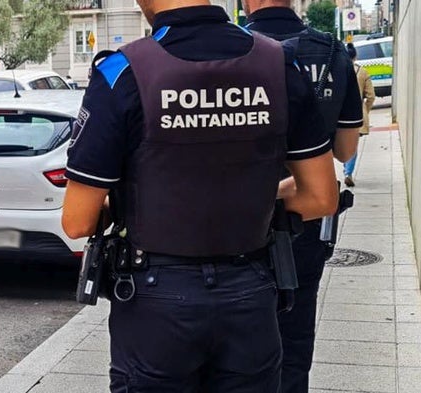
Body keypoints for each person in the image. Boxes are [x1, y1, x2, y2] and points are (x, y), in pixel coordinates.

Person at [62, 1, 338, 392]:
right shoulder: (278, 64)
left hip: (156, 304)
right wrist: (252, 200)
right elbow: (322, 196)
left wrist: (134, 205)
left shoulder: (122, 73)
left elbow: (77, 221)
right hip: (251, 292)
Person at [244, 1, 363, 393]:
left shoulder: (233, 49)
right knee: (293, 345)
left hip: (238, 222)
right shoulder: (330, 51)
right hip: (307, 220)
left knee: (237, 348)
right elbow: (345, 150)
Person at [343, 42, 376, 187]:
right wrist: (365, 110)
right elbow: (371, 96)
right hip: (357, 113)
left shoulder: (337, 70)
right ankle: (348, 172)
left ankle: (344, 169)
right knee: (352, 144)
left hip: (339, 113)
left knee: (339, 143)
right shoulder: (363, 72)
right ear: (355, 56)